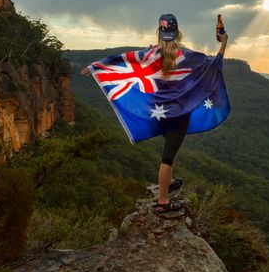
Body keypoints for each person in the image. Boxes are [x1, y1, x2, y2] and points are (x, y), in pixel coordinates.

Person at [81, 13, 229, 214]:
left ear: (159, 32)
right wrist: (223, 43)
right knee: (168, 157)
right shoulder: (186, 56)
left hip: (159, 113)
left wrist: (98, 66)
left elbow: (125, 59)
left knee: (171, 149)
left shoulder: (149, 54)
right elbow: (212, 64)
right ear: (177, 33)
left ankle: (169, 182)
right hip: (179, 113)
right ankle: (163, 201)